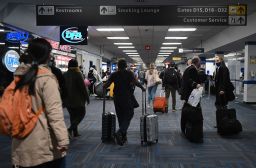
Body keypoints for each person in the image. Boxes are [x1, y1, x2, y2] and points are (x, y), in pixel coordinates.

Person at [11, 38, 69, 167]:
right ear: (48, 55)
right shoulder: (46, 79)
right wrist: (63, 140)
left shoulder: (18, 76)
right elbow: (54, 114)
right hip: (44, 147)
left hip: (21, 144)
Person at [104, 59, 145, 146]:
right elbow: (135, 82)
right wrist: (142, 87)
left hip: (117, 98)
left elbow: (107, 84)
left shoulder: (114, 74)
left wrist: (104, 87)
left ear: (118, 66)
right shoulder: (129, 73)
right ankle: (120, 132)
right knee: (129, 113)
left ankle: (123, 136)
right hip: (127, 97)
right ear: (126, 66)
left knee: (120, 116)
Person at [64, 59, 90, 137]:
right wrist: (87, 97)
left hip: (67, 99)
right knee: (81, 113)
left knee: (73, 115)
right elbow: (83, 87)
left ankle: (75, 132)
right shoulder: (78, 74)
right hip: (77, 99)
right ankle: (70, 129)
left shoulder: (65, 74)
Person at [180, 56, 203, 142]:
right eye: (199, 62)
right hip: (192, 95)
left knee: (185, 110)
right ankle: (192, 128)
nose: (200, 64)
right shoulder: (192, 69)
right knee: (194, 111)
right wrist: (196, 85)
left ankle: (184, 127)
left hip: (187, 94)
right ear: (197, 62)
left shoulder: (187, 68)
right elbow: (190, 80)